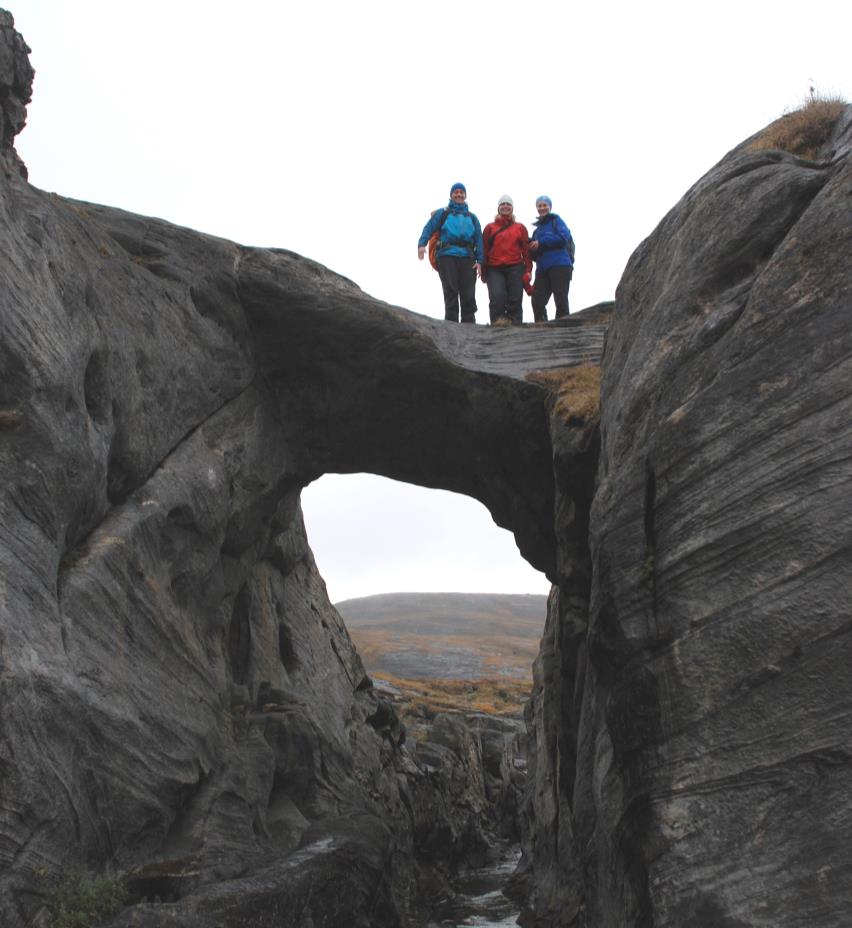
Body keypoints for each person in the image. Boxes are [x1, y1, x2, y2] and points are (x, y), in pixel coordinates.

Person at [418, 183, 484, 323]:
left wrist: (480, 262)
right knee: (451, 292)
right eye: (456, 192)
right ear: (451, 195)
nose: (459, 194)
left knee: (469, 294)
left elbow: (479, 240)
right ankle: (451, 325)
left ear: (465, 195)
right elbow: (429, 227)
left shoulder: (472, 217)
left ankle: (469, 327)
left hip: (467, 257)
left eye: (461, 192)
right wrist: (422, 244)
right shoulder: (443, 213)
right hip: (447, 255)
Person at [482, 195, 532, 326]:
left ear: (512, 208)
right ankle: (497, 327)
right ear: (498, 208)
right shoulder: (489, 228)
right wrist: (483, 270)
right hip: (494, 268)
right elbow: (484, 249)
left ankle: (516, 329)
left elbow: (526, 252)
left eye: (508, 204)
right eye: (503, 204)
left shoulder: (520, 227)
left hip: (515, 267)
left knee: (515, 299)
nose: (505, 206)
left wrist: (528, 270)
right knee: (497, 297)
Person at [529, 195, 574, 321]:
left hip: (560, 264)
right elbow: (535, 255)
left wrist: (541, 243)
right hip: (543, 269)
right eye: (539, 205)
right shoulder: (536, 231)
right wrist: (530, 247)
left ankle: (564, 330)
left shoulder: (557, 221)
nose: (542, 208)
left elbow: (563, 238)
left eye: (545, 205)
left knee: (560, 299)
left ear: (550, 207)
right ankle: (542, 328)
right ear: (536, 208)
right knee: (537, 300)